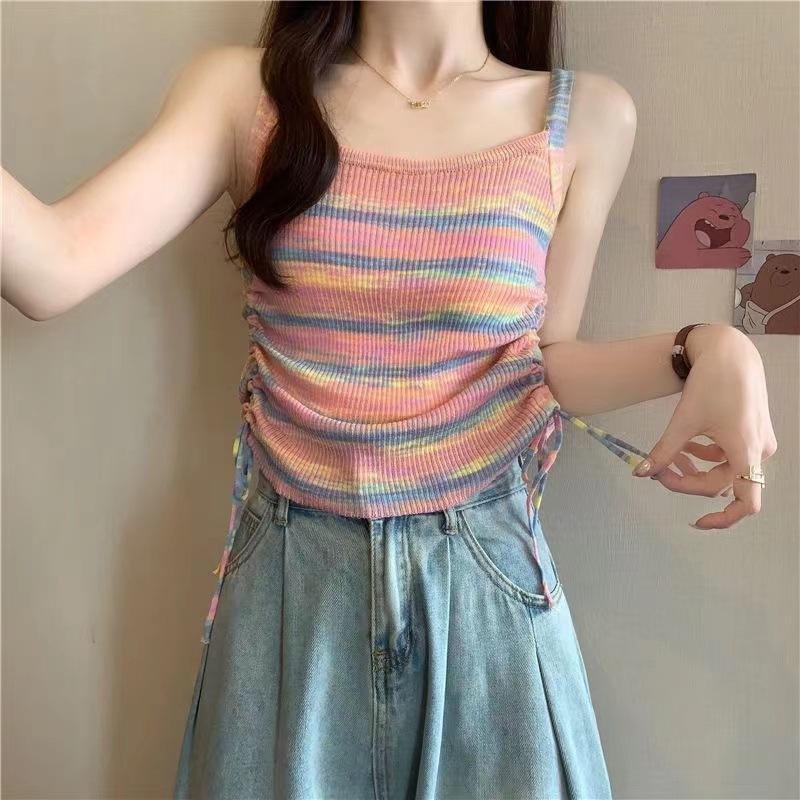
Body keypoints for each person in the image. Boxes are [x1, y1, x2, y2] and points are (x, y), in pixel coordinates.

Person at [2, 2, 778, 798]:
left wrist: (704, 349)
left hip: (485, 583)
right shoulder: (247, 96)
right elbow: (53, 266)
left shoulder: (584, 117)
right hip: (293, 584)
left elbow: (546, 363)